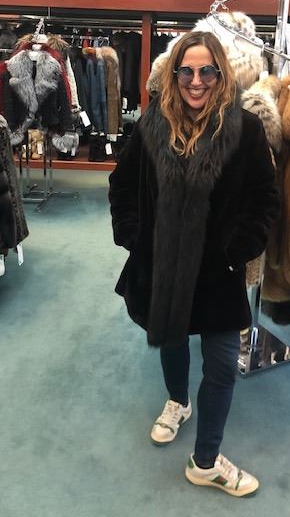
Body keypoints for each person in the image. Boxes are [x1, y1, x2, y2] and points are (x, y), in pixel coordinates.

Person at [108, 31, 279, 498]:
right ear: (174, 74)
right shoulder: (152, 126)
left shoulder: (246, 130)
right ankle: (178, 401)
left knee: (221, 365)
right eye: (187, 71)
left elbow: (265, 199)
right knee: (172, 340)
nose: (196, 81)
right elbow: (122, 186)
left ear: (221, 75)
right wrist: (133, 236)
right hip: (162, 266)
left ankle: (206, 461)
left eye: (206, 71)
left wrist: (238, 249)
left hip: (218, 271)